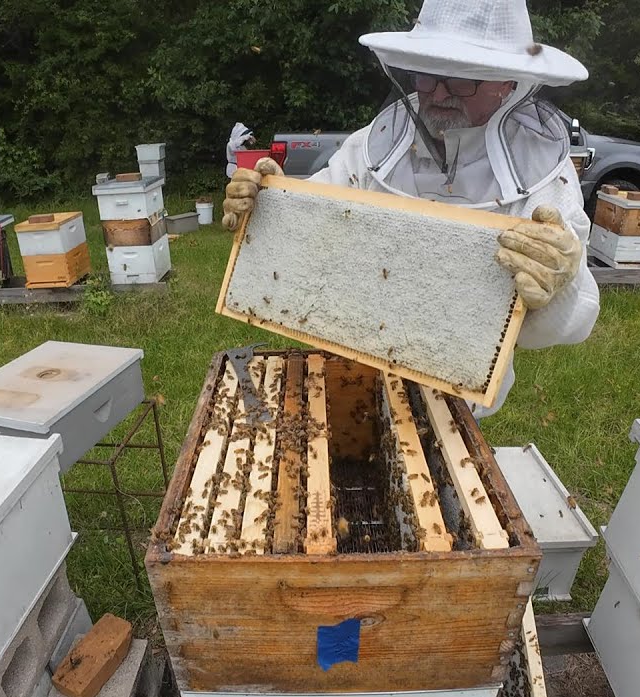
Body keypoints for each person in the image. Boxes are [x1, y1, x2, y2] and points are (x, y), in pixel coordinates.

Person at [221, 0, 600, 416]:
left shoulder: (544, 170)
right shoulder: (379, 141)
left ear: (507, 83)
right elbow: (321, 207)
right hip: (351, 360)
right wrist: (271, 198)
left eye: (461, 81)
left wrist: (561, 284)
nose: (437, 93)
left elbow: (576, 321)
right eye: (426, 73)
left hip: (457, 395)